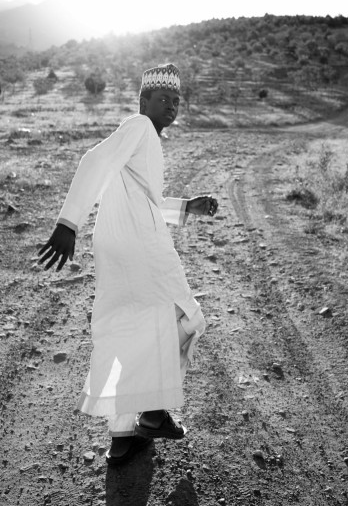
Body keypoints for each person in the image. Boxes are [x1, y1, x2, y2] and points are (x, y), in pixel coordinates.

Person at [38, 63, 218, 465]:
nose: (171, 106)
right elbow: (93, 161)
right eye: (163, 99)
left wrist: (186, 206)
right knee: (186, 317)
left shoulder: (144, 138)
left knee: (127, 329)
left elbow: (145, 200)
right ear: (143, 101)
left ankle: (122, 435)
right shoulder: (138, 126)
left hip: (119, 245)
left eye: (176, 100)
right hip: (141, 247)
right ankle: (152, 413)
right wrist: (67, 222)